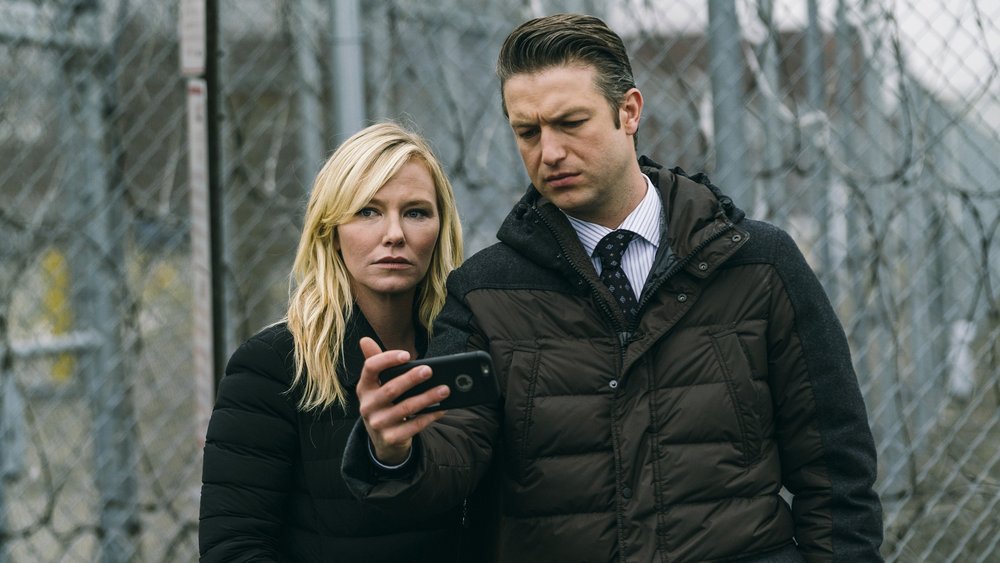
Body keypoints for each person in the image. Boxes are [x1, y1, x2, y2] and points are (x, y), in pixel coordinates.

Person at [343, 13, 884, 563]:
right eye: (528, 132)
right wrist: (394, 451)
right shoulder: (485, 293)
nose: (549, 152)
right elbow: (453, 458)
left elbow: (835, 468)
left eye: (570, 123)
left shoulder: (757, 264)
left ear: (629, 111)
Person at [198, 122, 472, 562]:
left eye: (416, 212)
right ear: (331, 230)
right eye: (368, 211)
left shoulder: (465, 352)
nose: (394, 234)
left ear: (441, 229)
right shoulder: (274, 366)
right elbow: (233, 548)